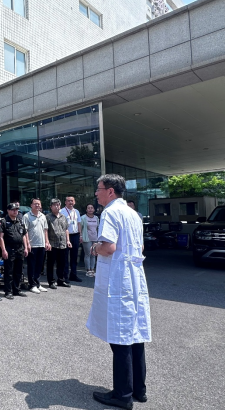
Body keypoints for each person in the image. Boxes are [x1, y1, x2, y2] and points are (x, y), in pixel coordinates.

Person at [89, 174, 151, 410]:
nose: (96, 193)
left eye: (99, 189)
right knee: (135, 333)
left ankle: (122, 394)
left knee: (120, 337)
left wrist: (95, 248)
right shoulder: (134, 214)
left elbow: (109, 247)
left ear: (110, 191)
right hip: (134, 279)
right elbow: (141, 246)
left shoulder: (111, 212)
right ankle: (139, 389)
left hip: (118, 280)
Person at [0, 203, 29, 299]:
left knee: (18, 271)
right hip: (9, 249)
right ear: (8, 210)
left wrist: (26, 247)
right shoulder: (3, 221)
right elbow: (1, 237)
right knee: (9, 271)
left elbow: (23, 235)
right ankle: (8, 291)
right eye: (13, 209)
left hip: (20, 249)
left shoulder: (20, 221)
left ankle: (16, 289)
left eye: (16, 209)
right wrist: (3, 250)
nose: (15, 211)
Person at [23, 198, 50, 294]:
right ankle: (32, 285)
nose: (37, 205)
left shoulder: (43, 216)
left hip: (41, 244)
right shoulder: (26, 216)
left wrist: (47, 242)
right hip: (32, 245)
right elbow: (25, 231)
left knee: (39, 265)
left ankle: (38, 283)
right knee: (32, 265)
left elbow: (45, 230)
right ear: (31, 205)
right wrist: (27, 244)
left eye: (39, 204)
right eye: (35, 204)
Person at [46, 199, 72, 290]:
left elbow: (66, 230)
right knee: (51, 264)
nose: (56, 206)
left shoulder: (63, 217)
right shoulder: (47, 217)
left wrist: (68, 241)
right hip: (52, 244)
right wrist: (47, 242)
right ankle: (51, 281)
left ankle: (61, 280)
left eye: (58, 205)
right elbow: (45, 230)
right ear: (51, 207)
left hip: (62, 244)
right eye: (54, 205)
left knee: (62, 264)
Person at [60, 196, 83, 283]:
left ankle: (73, 275)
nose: (70, 202)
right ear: (65, 202)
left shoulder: (76, 211)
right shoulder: (61, 211)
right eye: (69, 201)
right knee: (65, 257)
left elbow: (79, 223)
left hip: (75, 235)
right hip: (66, 236)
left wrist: (80, 235)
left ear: (74, 202)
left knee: (74, 257)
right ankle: (65, 276)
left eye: (72, 201)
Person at [81, 204, 100, 278]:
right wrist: (81, 236)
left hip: (95, 238)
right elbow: (80, 228)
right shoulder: (83, 218)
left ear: (94, 210)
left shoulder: (96, 218)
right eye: (88, 208)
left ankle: (92, 269)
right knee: (88, 254)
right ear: (86, 210)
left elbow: (98, 228)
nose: (90, 209)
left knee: (94, 254)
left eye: (92, 208)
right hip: (87, 238)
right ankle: (88, 270)